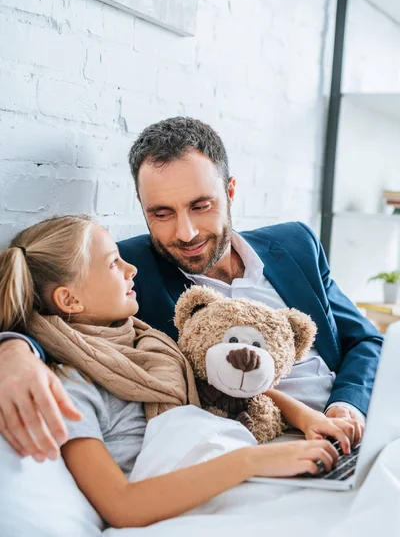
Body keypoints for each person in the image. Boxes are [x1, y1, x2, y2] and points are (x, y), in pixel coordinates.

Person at [0, 117, 381, 462]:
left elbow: (363, 340)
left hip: (356, 422)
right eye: (161, 213)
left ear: (230, 192)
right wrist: (12, 351)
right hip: (268, 446)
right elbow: (44, 299)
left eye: (201, 206)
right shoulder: (130, 270)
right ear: (142, 206)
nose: (185, 233)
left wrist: (346, 405)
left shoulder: (296, 243)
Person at [0, 215, 352, 528]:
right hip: (191, 499)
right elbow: (122, 506)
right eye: (113, 264)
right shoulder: (71, 387)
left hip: (228, 474)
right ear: (70, 301)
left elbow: (225, 388)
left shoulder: (147, 345)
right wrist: (254, 461)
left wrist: (306, 418)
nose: (131, 269)